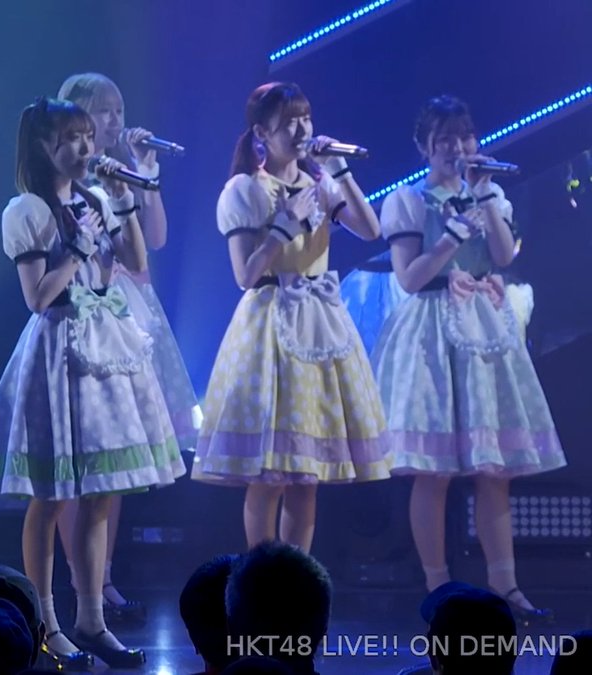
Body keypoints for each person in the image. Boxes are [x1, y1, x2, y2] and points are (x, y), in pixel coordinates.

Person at [0, 96, 187, 670]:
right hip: (59, 348)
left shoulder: (96, 198)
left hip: (106, 347)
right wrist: (78, 249)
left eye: (89, 136)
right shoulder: (28, 210)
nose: (86, 147)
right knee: (52, 494)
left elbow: (136, 259)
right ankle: (46, 622)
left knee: (101, 492)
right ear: (43, 146)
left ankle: (92, 620)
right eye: (72, 138)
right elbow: (37, 297)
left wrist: (123, 199)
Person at [371, 95, 565, 623]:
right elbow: (409, 278)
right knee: (432, 471)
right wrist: (450, 239)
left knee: (494, 469)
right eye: (444, 139)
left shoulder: (490, 193)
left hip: (484, 331)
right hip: (431, 333)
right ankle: (439, 587)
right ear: (424, 147)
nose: (456, 147)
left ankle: (506, 586)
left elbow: (502, 256)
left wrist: (483, 199)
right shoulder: (409, 201)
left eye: (464, 136)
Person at [192, 82, 389, 551]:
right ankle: (262, 573)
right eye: (289, 123)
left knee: (306, 478)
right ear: (262, 132)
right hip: (270, 326)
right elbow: (244, 275)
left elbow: (371, 229)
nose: (302, 131)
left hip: (320, 325)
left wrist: (339, 171)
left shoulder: (320, 184)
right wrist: (283, 228)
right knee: (270, 475)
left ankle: (296, 574)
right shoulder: (246, 189)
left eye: (306, 119)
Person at [55, 72, 201, 623]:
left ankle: (104, 578)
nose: (115, 120)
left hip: (128, 310)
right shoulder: (63, 179)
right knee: (76, 458)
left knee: (115, 459)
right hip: (81, 306)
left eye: (119, 110)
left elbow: (155, 240)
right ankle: (77, 582)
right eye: (104, 111)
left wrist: (146, 172)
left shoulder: (122, 172)